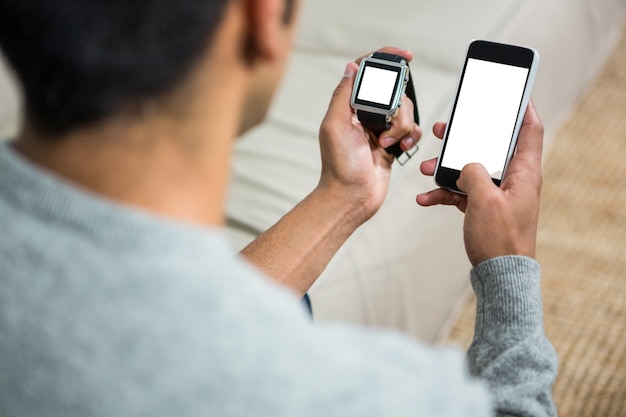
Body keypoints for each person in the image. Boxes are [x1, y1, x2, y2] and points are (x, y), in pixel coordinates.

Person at [0, 0, 557, 416]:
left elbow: (172, 325)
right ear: (262, 18)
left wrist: (345, 195)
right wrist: (507, 267)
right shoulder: (363, 393)